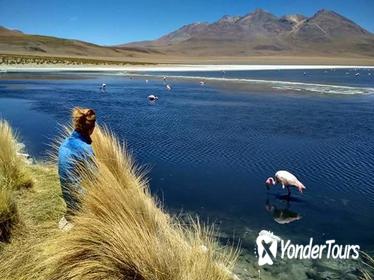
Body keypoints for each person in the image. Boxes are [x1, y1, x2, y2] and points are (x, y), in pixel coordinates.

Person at [58, 107, 96, 230]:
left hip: (68, 197)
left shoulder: (65, 143)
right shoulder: (85, 149)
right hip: (79, 202)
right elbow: (95, 179)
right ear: (91, 128)